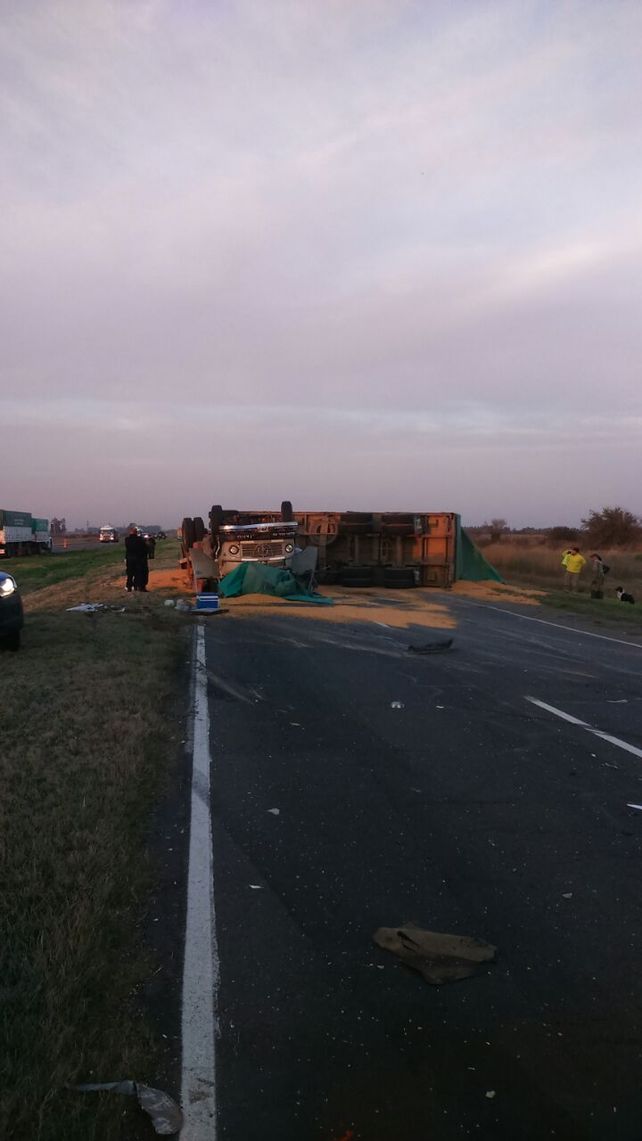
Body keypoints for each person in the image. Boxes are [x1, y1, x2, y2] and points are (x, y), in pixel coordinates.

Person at [124, 526, 149, 592]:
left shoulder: (127, 540)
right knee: (138, 573)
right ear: (136, 532)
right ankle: (138, 587)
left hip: (129, 559)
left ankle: (129, 587)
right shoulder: (140, 540)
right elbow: (144, 548)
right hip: (138, 559)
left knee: (130, 574)